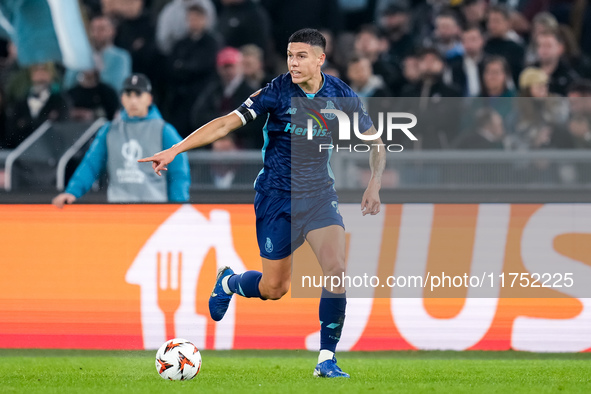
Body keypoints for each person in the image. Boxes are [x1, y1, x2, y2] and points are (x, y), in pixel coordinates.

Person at [139, 28, 384, 378]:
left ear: (320, 59)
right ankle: (229, 282)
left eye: (301, 56)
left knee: (336, 269)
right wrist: (176, 149)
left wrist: (374, 183)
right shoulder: (275, 92)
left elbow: (377, 143)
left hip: (318, 196)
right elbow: (226, 124)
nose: (293, 62)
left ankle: (326, 360)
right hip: (275, 198)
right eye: (289, 55)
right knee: (274, 289)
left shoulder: (342, 95)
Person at [52, 73, 190, 207]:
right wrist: (72, 192)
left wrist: (178, 205)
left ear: (149, 99)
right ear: (122, 99)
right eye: (129, 95)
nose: (133, 100)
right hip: (118, 210)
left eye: (138, 94)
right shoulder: (109, 130)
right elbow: (91, 165)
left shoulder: (164, 131)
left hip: (154, 211)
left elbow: (178, 172)